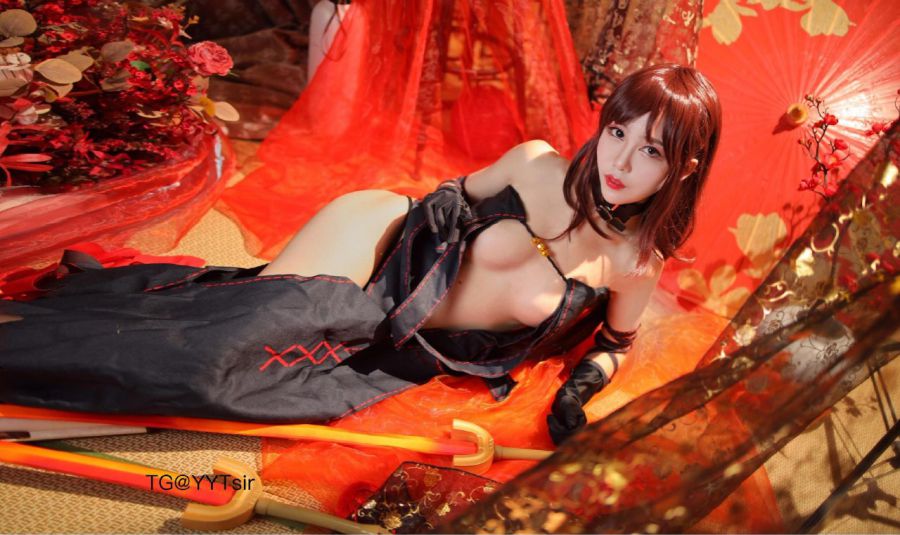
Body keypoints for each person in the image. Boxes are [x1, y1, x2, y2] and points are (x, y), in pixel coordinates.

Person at [0, 64, 721, 445]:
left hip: (398, 341)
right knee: (217, 349)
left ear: (682, 168)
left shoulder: (634, 264)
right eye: (618, 132)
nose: (621, 160)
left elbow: (615, 346)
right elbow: (444, 198)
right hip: (374, 248)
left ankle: (107, 301)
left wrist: (576, 391)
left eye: (652, 151)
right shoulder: (535, 164)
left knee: (222, 374)